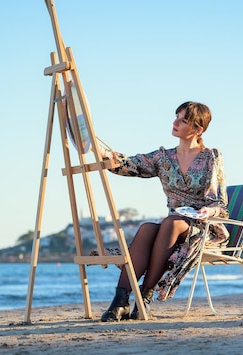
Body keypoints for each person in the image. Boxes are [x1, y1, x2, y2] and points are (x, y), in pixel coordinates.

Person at [99, 101, 230, 322]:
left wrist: (209, 210)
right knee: (147, 229)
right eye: (176, 117)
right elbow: (128, 165)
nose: (175, 122)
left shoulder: (211, 157)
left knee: (170, 223)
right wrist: (99, 150)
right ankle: (120, 302)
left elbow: (221, 203)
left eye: (183, 120)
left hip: (202, 226)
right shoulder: (163, 157)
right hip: (173, 225)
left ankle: (144, 299)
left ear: (198, 130)